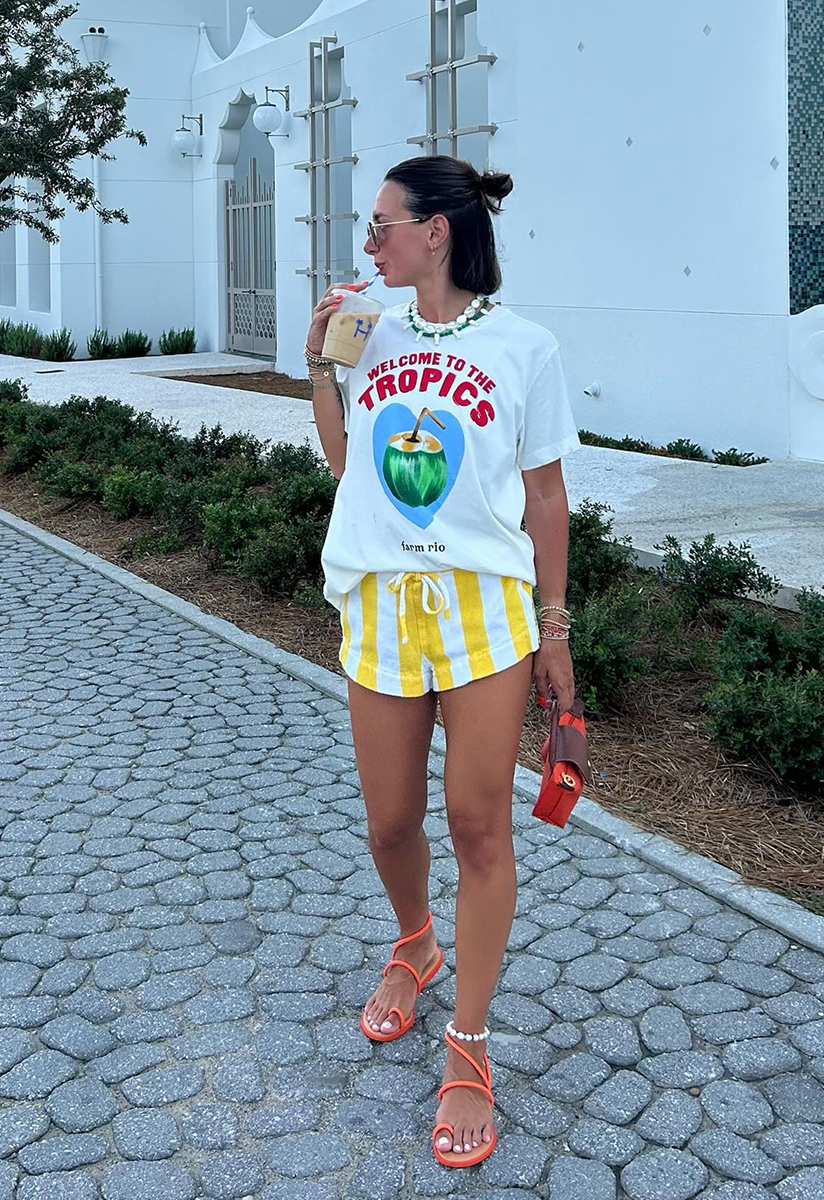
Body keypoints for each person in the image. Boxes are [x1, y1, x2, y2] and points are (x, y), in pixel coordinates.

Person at [303, 155, 579, 1169]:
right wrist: (322, 368)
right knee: (389, 822)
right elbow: (346, 465)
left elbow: (544, 497)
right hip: (383, 602)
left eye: (382, 225)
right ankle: (414, 943)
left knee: (477, 823)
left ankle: (468, 1040)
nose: (368, 244)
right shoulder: (370, 331)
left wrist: (555, 632)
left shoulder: (524, 347)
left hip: (482, 610)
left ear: (437, 233)